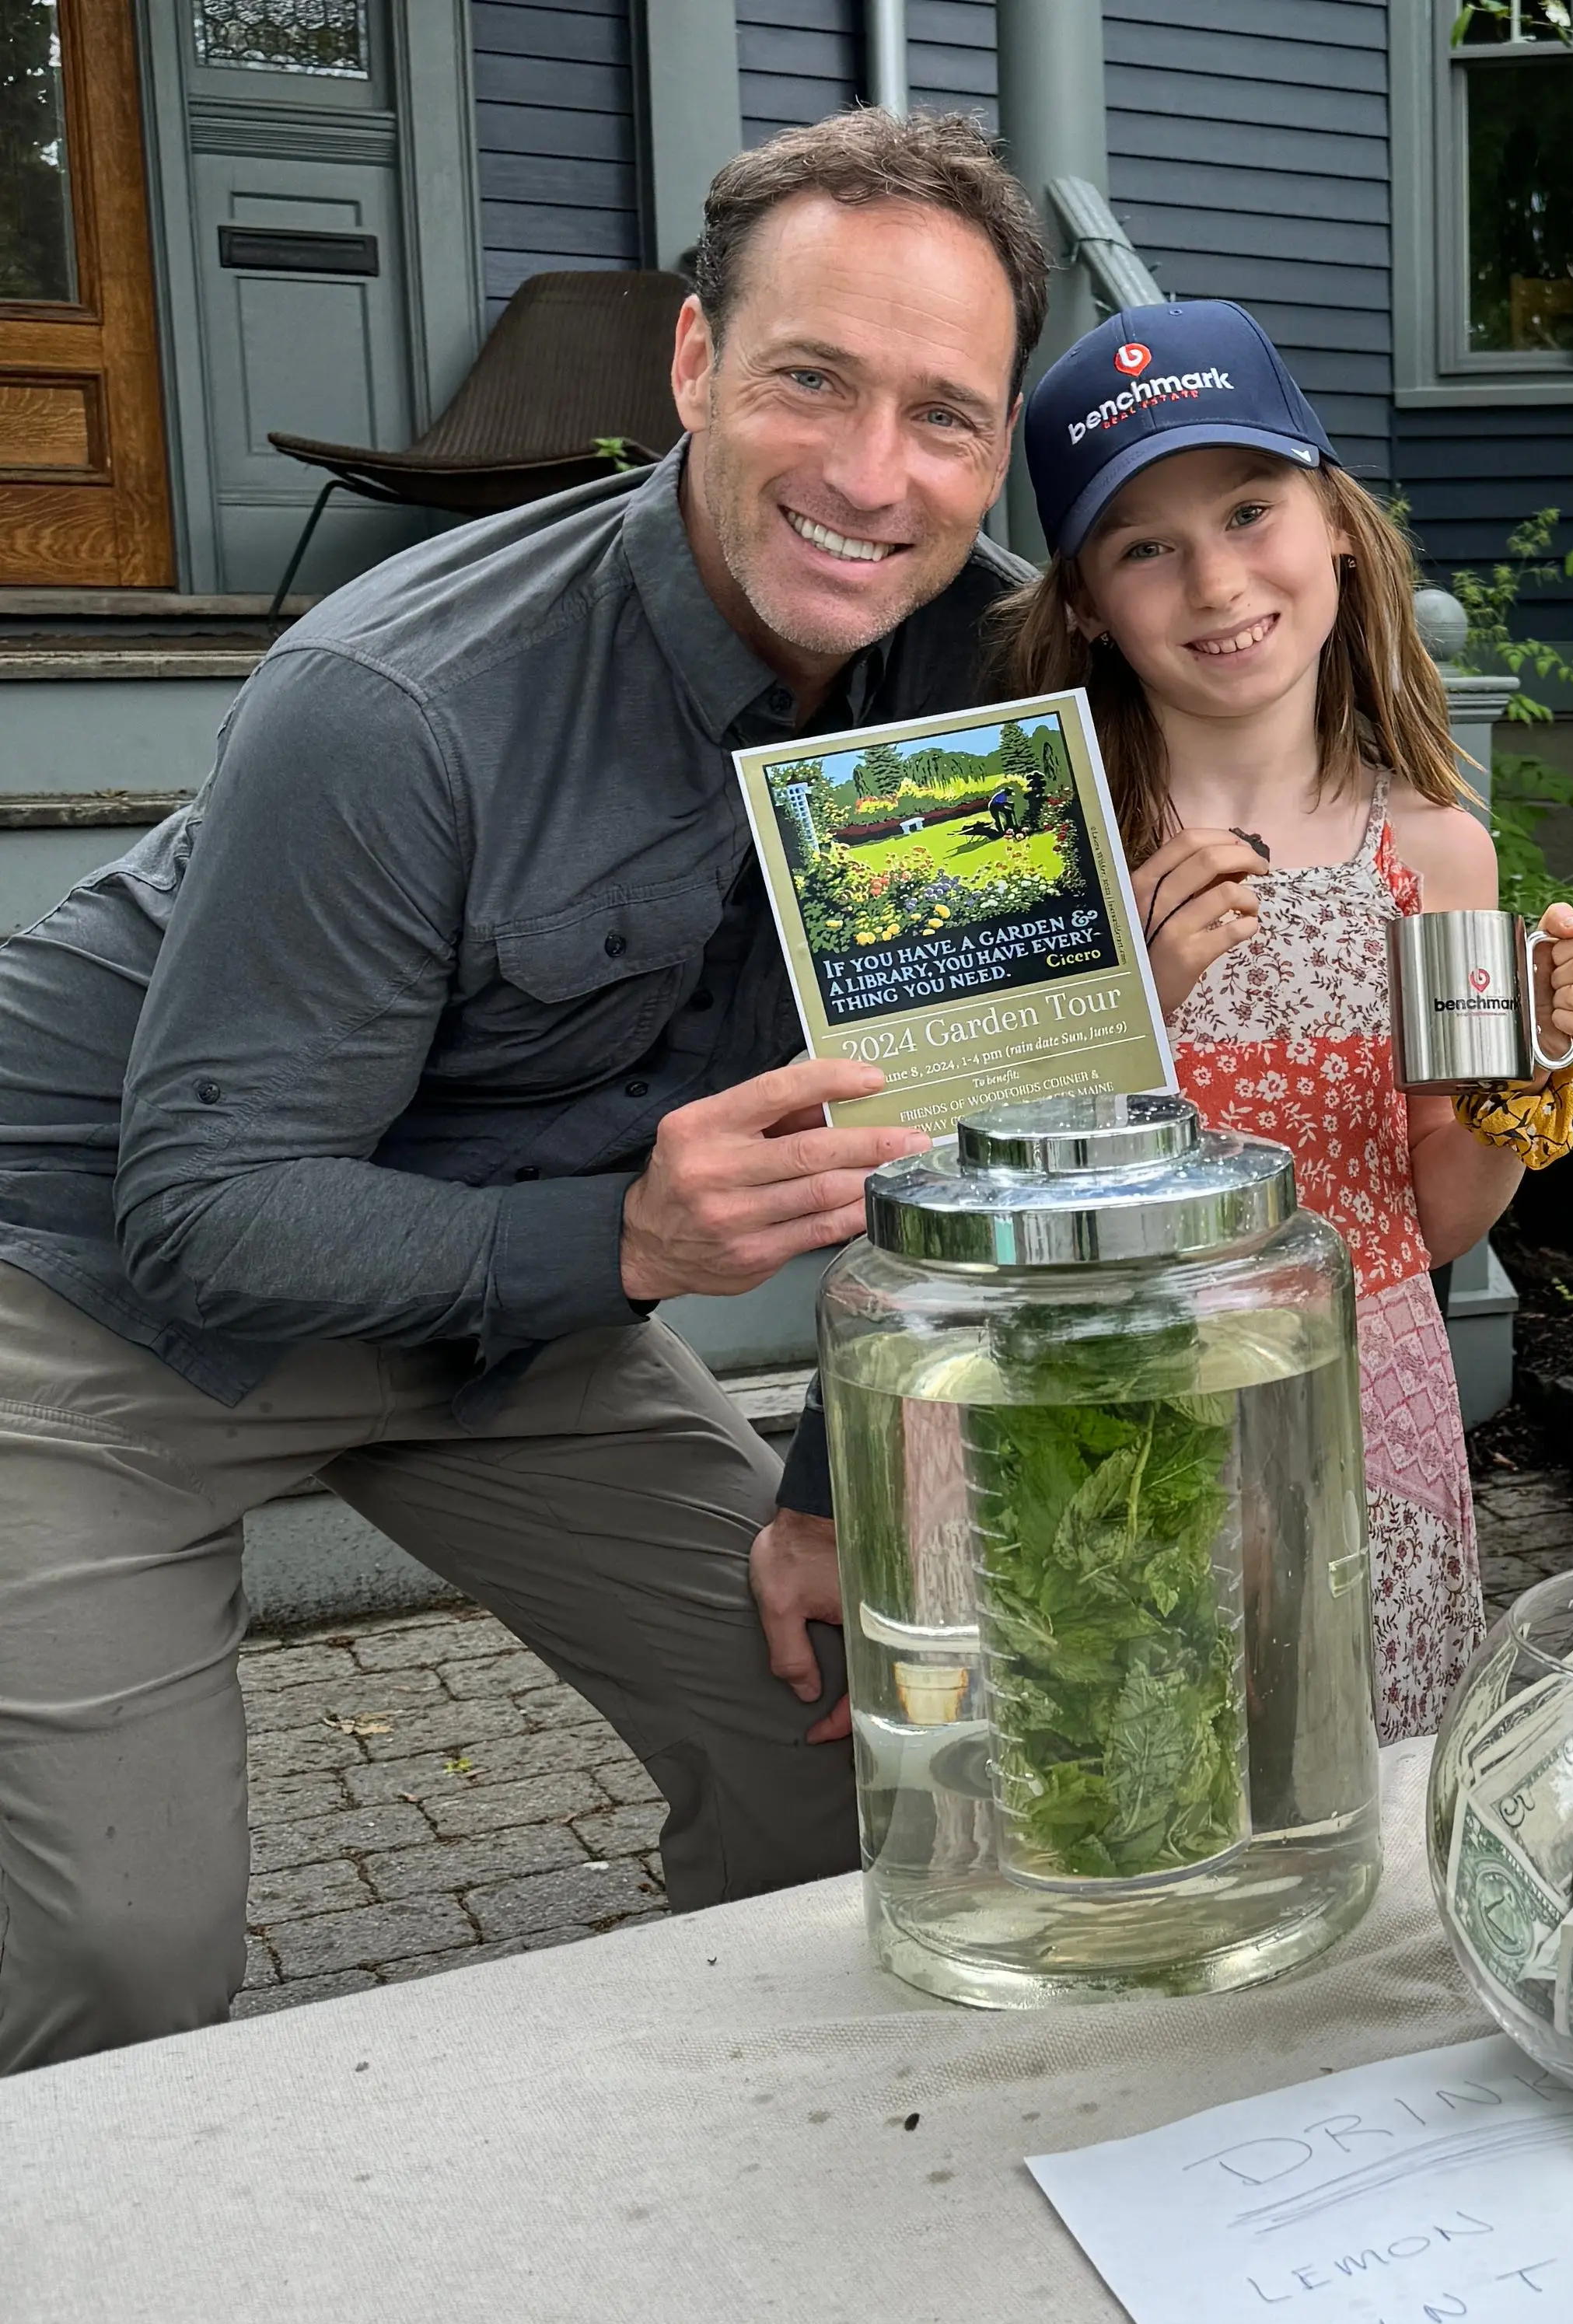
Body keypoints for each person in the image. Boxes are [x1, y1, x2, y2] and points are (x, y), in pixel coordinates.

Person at [0, 110, 1045, 2074]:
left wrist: (835, 1495)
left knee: (855, 1759)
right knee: (125, 1961)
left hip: (515, 1303)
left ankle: (744, 2173)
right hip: (98, 1308)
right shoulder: (395, 697)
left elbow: (962, 1138)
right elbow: (205, 1211)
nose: (869, 476)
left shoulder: (974, 675)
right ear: (691, 364)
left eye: (945, 417)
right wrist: (635, 1235)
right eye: (811, 377)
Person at [998, 302, 1573, 1739]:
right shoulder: (1046, 845)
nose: (1217, 581)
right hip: (1113, 1399)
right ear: (1090, 600)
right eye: (1146, 545)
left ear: (1337, 522)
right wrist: (1138, 1010)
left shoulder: (1439, 848)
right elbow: (970, 1169)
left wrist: (1533, 1070)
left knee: (1357, 1761)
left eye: (1248, 509)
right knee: (1136, 1752)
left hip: (1367, 1389)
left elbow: (1439, 1216)